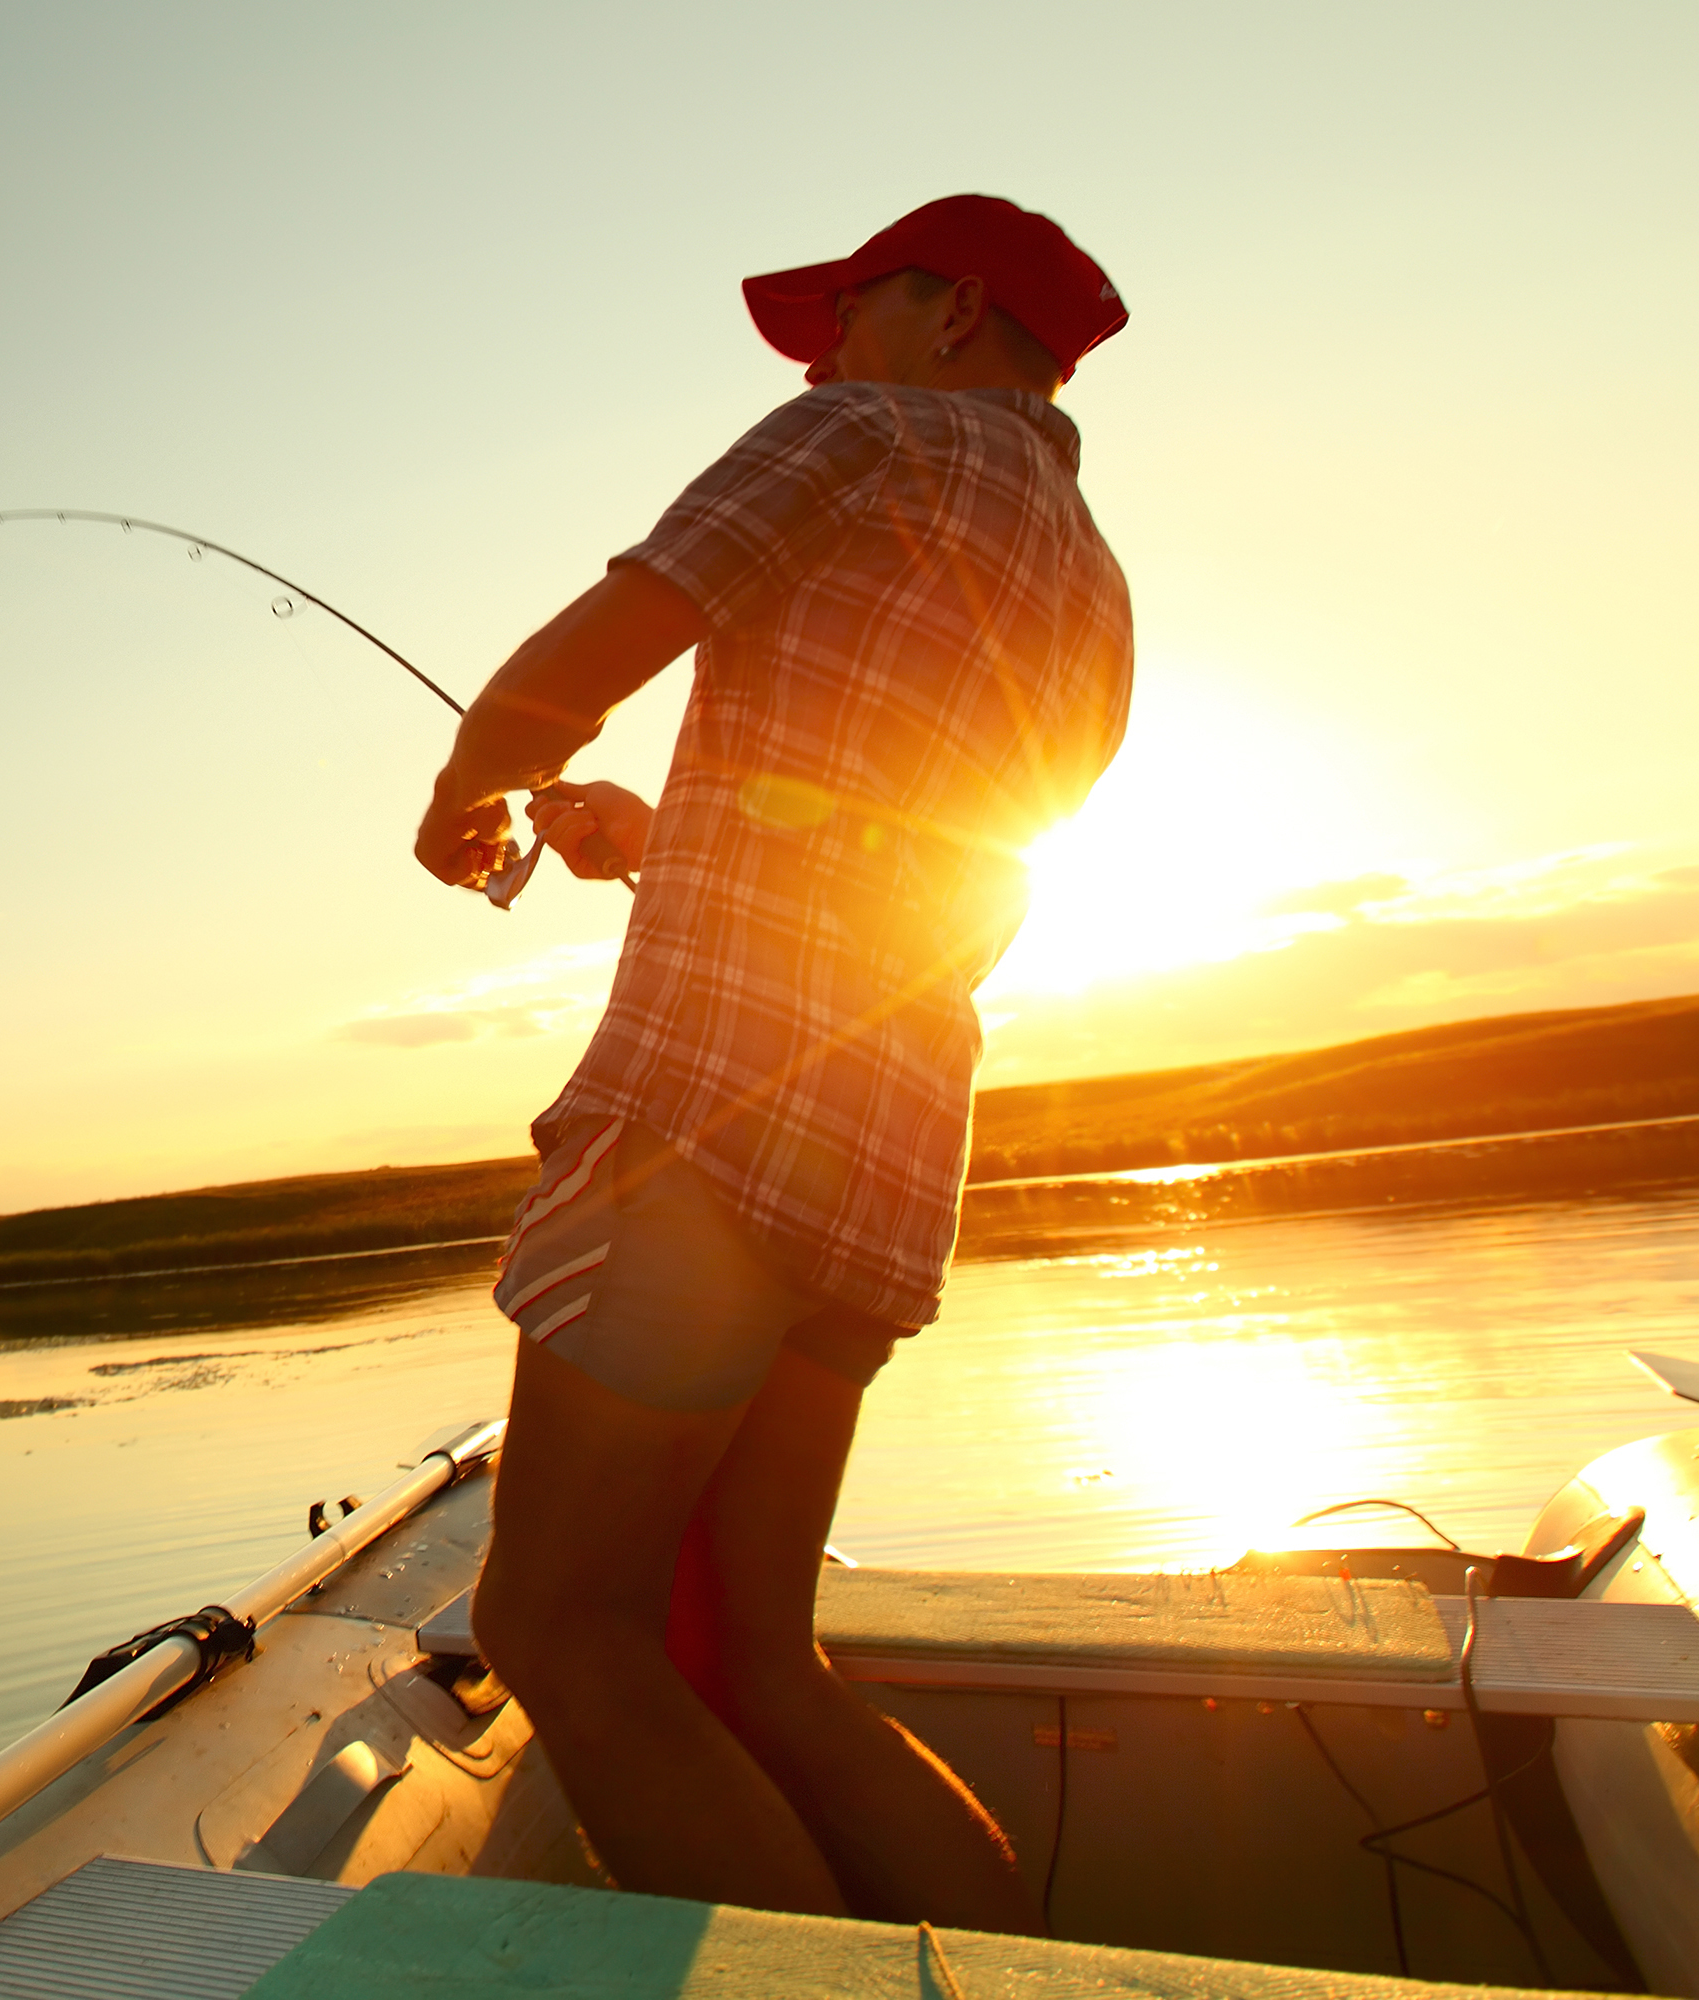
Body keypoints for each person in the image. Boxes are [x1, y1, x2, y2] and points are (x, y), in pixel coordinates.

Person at [411, 194, 1136, 1928]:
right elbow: (943, 867)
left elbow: (600, 645)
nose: (818, 352)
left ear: (953, 311)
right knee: (760, 1655)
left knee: (556, 1626)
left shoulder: (863, 429)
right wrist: (666, 841)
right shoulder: (1095, 586)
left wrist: (471, 786)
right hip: (893, 1153)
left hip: (707, 1121)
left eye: (847, 309)